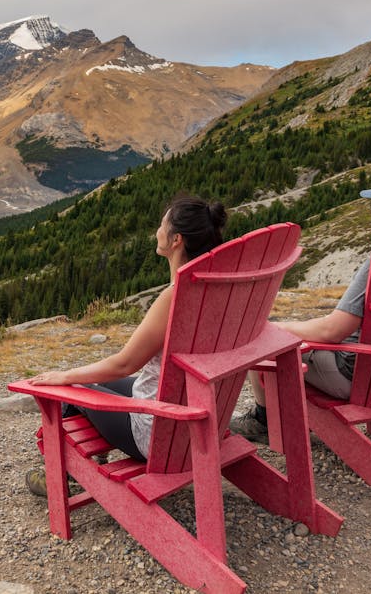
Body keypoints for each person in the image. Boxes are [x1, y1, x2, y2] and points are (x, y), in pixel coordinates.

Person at [23, 195, 228, 495]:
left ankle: (62, 476)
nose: (156, 230)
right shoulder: (216, 288)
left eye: (161, 225)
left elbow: (125, 363)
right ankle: (79, 459)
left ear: (176, 240)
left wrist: (65, 377)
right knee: (102, 380)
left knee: (69, 390)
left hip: (159, 435)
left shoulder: (175, 297)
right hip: (200, 419)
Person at [229, 172, 371, 440]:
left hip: (357, 376)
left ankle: (264, 420)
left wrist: (274, 328)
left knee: (257, 339)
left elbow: (333, 331)